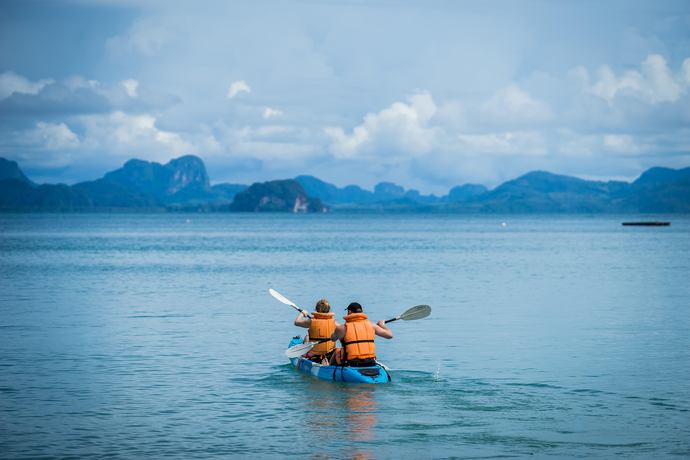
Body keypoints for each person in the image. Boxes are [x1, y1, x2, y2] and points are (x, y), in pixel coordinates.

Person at [331, 302, 393, 367]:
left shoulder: (342, 328)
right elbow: (390, 335)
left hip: (351, 363)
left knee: (337, 351)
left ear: (349, 311)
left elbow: (333, 338)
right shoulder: (372, 325)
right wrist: (382, 325)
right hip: (370, 362)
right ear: (362, 312)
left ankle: (327, 369)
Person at [294, 298, 339, 364]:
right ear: (329, 310)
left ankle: (305, 357)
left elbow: (296, 322)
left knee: (307, 337)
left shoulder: (311, 321)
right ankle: (326, 360)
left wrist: (302, 313)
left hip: (314, 354)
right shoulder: (334, 323)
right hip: (329, 353)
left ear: (316, 309)